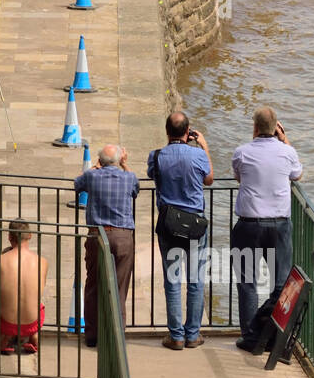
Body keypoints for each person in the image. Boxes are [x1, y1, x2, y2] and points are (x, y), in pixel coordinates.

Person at [231, 107, 303, 351]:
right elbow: (298, 174)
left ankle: (251, 336)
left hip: (248, 225)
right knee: (282, 283)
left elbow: (239, 178)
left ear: (254, 127)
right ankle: (272, 335)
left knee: (247, 282)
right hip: (279, 225)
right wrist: (285, 140)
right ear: (276, 128)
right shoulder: (288, 152)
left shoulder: (241, 152)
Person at [147, 111, 213, 350]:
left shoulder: (156, 156)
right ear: (188, 132)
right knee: (195, 280)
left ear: (167, 132)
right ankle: (193, 334)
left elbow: (153, 175)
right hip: (195, 224)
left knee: (172, 280)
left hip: (169, 224)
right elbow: (209, 180)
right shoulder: (197, 154)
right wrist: (203, 146)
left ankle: (176, 336)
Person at [73, 145, 139, 348]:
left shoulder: (92, 177)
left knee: (93, 284)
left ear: (100, 161)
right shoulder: (129, 177)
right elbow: (136, 189)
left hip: (97, 235)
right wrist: (125, 165)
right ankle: (116, 336)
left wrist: (94, 167)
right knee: (119, 288)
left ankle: (92, 335)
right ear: (119, 160)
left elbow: (77, 184)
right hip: (122, 237)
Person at [0, 221, 48, 355]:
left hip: (6, 324)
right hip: (34, 323)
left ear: (9, 237)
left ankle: (5, 339)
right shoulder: (42, 262)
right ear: (30, 235)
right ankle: (33, 336)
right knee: (38, 302)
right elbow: (40, 291)